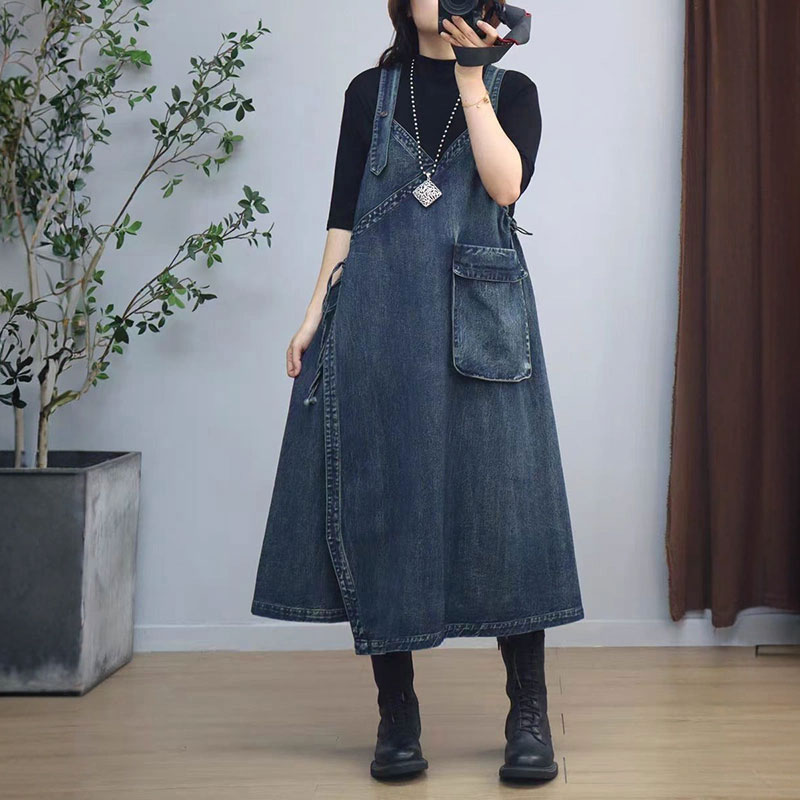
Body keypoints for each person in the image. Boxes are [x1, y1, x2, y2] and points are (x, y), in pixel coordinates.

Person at [251, 0, 585, 783]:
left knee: (507, 510)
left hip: (483, 319)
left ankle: (527, 711)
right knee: (385, 504)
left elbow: (505, 187)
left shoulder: (513, 90)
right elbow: (343, 214)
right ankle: (397, 711)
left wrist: (473, 76)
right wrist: (315, 310)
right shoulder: (369, 92)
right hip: (380, 314)